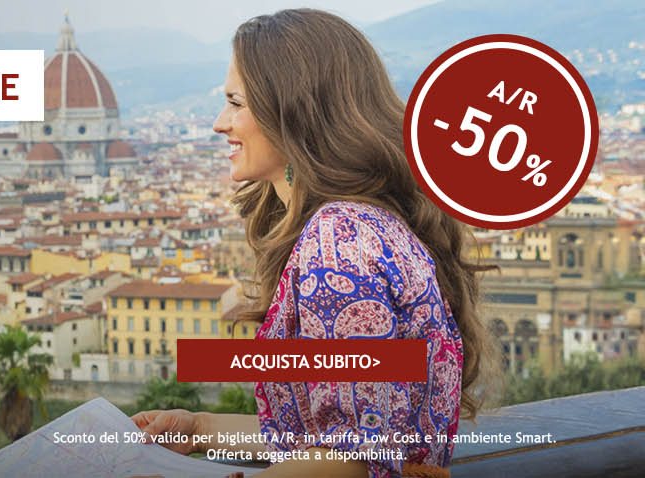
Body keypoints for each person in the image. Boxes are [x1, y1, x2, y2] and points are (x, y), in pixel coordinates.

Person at [130, 9, 490, 478]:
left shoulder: (339, 242)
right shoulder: (362, 225)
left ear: (293, 112)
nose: (220, 123)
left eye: (236, 103)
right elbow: (341, 437)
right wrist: (200, 428)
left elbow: (354, 462)